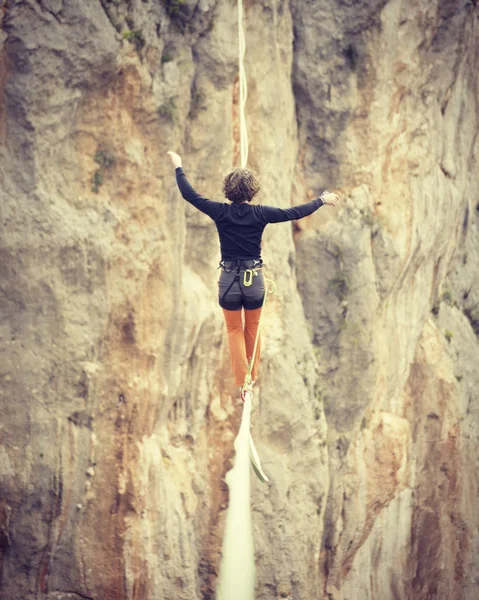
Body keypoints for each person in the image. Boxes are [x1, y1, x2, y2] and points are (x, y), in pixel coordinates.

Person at [167, 151, 339, 400]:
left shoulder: (220, 212)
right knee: (253, 327)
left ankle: (243, 383)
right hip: (253, 280)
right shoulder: (261, 213)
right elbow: (294, 213)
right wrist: (322, 200)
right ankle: (252, 376)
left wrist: (179, 166)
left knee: (234, 329)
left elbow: (189, 195)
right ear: (253, 191)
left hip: (228, 281)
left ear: (228, 190)